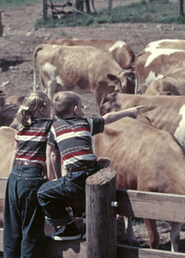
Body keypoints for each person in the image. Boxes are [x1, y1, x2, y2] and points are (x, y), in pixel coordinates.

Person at [38, 90, 142, 241]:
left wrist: (57, 178)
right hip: (94, 171)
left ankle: (68, 227)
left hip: (75, 177)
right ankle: (88, 221)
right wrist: (129, 112)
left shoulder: (55, 128)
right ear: (75, 110)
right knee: (91, 183)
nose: (83, 109)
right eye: (81, 106)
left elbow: (53, 154)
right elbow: (107, 118)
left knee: (43, 193)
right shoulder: (86, 123)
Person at [2, 91, 53, 258]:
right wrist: (49, 179)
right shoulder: (49, 127)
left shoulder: (21, 127)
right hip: (33, 176)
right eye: (48, 107)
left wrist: (10, 179)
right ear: (41, 109)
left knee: (13, 224)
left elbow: (14, 154)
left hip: (14, 177)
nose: (50, 111)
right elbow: (49, 155)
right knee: (32, 225)